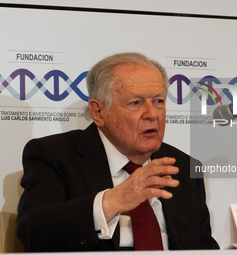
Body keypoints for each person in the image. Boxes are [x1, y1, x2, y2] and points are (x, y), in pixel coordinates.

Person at [17, 52, 219, 252]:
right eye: (135, 103)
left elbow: (203, 246)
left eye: (158, 101)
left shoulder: (182, 167)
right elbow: (33, 231)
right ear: (98, 112)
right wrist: (113, 200)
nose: (152, 114)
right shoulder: (54, 154)